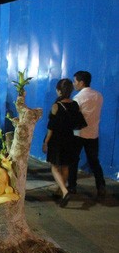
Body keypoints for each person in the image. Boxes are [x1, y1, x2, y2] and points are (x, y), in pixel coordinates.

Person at [42, 79, 81, 207]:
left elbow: (51, 128)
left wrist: (45, 142)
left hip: (57, 140)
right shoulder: (75, 104)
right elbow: (78, 124)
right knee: (65, 166)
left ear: (59, 90)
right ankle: (60, 190)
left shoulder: (56, 106)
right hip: (70, 139)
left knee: (54, 167)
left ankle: (64, 191)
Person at [67, 71, 105, 199]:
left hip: (79, 134)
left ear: (81, 82)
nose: (74, 84)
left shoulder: (77, 98)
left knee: (73, 160)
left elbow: (75, 118)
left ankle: (72, 187)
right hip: (93, 133)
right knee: (94, 162)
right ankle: (101, 186)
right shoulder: (99, 96)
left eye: (75, 81)